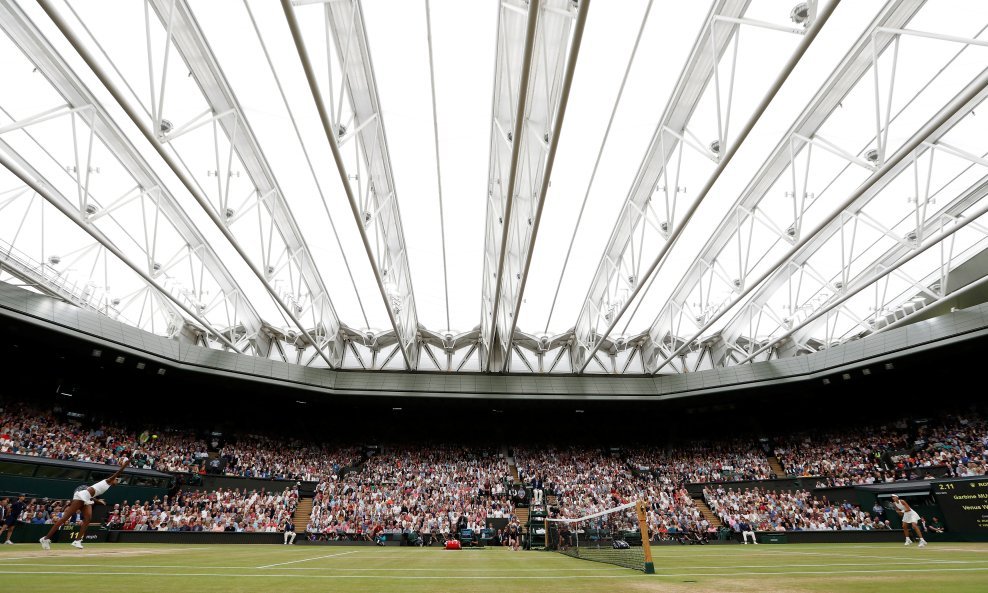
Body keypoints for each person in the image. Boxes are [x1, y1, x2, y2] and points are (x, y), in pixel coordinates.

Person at [40, 458, 130, 550]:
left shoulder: (108, 485)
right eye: (117, 480)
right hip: (81, 496)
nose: (117, 482)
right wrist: (126, 464)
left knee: (88, 518)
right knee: (65, 518)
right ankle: (45, 538)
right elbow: (119, 472)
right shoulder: (107, 481)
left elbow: (91, 494)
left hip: (87, 498)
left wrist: (99, 501)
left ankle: (77, 541)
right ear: (113, 479)